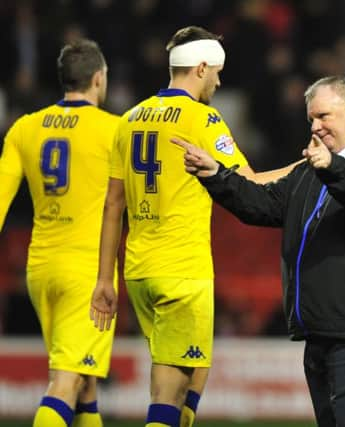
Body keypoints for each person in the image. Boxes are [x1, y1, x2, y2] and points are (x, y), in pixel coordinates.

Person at [171, 75, 345, 427]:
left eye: (323, 116)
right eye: (310, 120)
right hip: (324, 332)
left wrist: (332, 168)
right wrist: (215, 175)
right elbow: (261, 204)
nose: (316, 127)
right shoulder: (312, 169)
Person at [89, 26, 296, 427]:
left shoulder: (129, 119)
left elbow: (114, 204)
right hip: (181, 269)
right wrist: (306, 165)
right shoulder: (201, 119)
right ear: (200, 68)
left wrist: (105, 279)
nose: (218, 81)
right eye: (216, 72)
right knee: (167, 392)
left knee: (194, 371)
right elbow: (249, 181)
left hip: (140, 271)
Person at [0, 39, 117, 427]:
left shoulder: (24, 128)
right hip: (86, 273)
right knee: (66, 382)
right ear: (98, 79)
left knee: (85, 385)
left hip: (41, 271)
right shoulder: (114, 130)